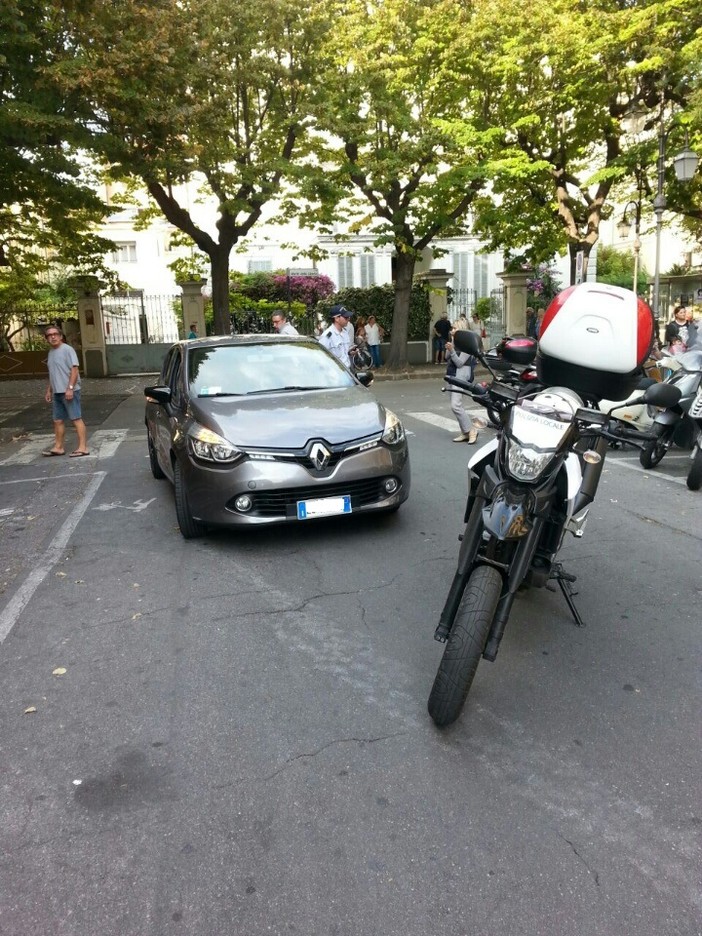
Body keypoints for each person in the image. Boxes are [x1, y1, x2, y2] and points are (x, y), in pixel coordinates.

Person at [42, 325, 90, 457]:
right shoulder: (51, 352)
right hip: (57, 391)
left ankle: (83, 447)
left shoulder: (67, 350)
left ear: (61, 336)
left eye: (55, 334)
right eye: (49, 335)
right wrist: (49, 390)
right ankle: (58, 447)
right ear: (46, 339)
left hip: (69, 391)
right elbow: (53, 373)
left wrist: (70, 388)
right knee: (58, 420)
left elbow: (74, 370)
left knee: (76, 418)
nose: (53, 337)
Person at [445, 329, 478, 443]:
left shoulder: (467, 346)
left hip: (461, 375)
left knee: (456, 405)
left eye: (455, 329)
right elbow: (447, 357)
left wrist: (452, 350)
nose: (452, 331)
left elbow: (459, 363)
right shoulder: (455, 342)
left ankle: (471, 430)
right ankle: (465, 432)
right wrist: (452, 344)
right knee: (455, 405)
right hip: (451, 375)